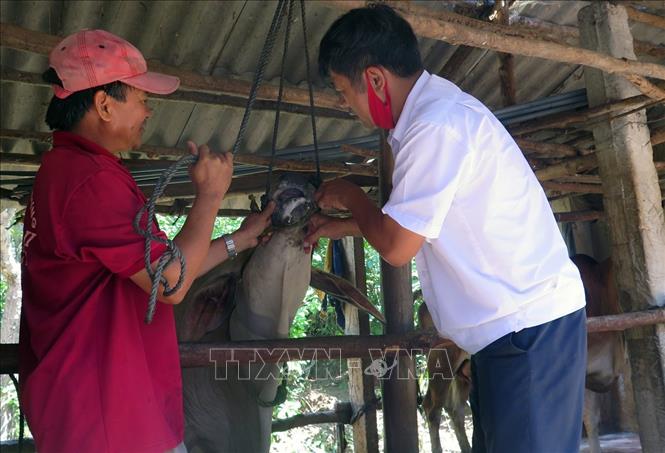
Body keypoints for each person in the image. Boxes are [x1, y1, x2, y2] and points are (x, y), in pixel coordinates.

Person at [308, 5, 587, 452]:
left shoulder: (434, 126)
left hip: (526, 333)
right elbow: (426, 224)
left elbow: (398, 247)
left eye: (345, 91)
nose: (347, 105)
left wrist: (351, 196)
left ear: (376, 80)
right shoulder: (438, 114)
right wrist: (343, 228)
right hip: (513, 334)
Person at [18, 29, 274, 453]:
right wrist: (210, 196)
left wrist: (239, 241)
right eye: (140, 98)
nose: (149, 112)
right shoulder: (89, 181)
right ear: (103, 104)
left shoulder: (70, 171)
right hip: (109, 422)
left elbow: (159, 269)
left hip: (99, 415)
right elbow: (171, 282)